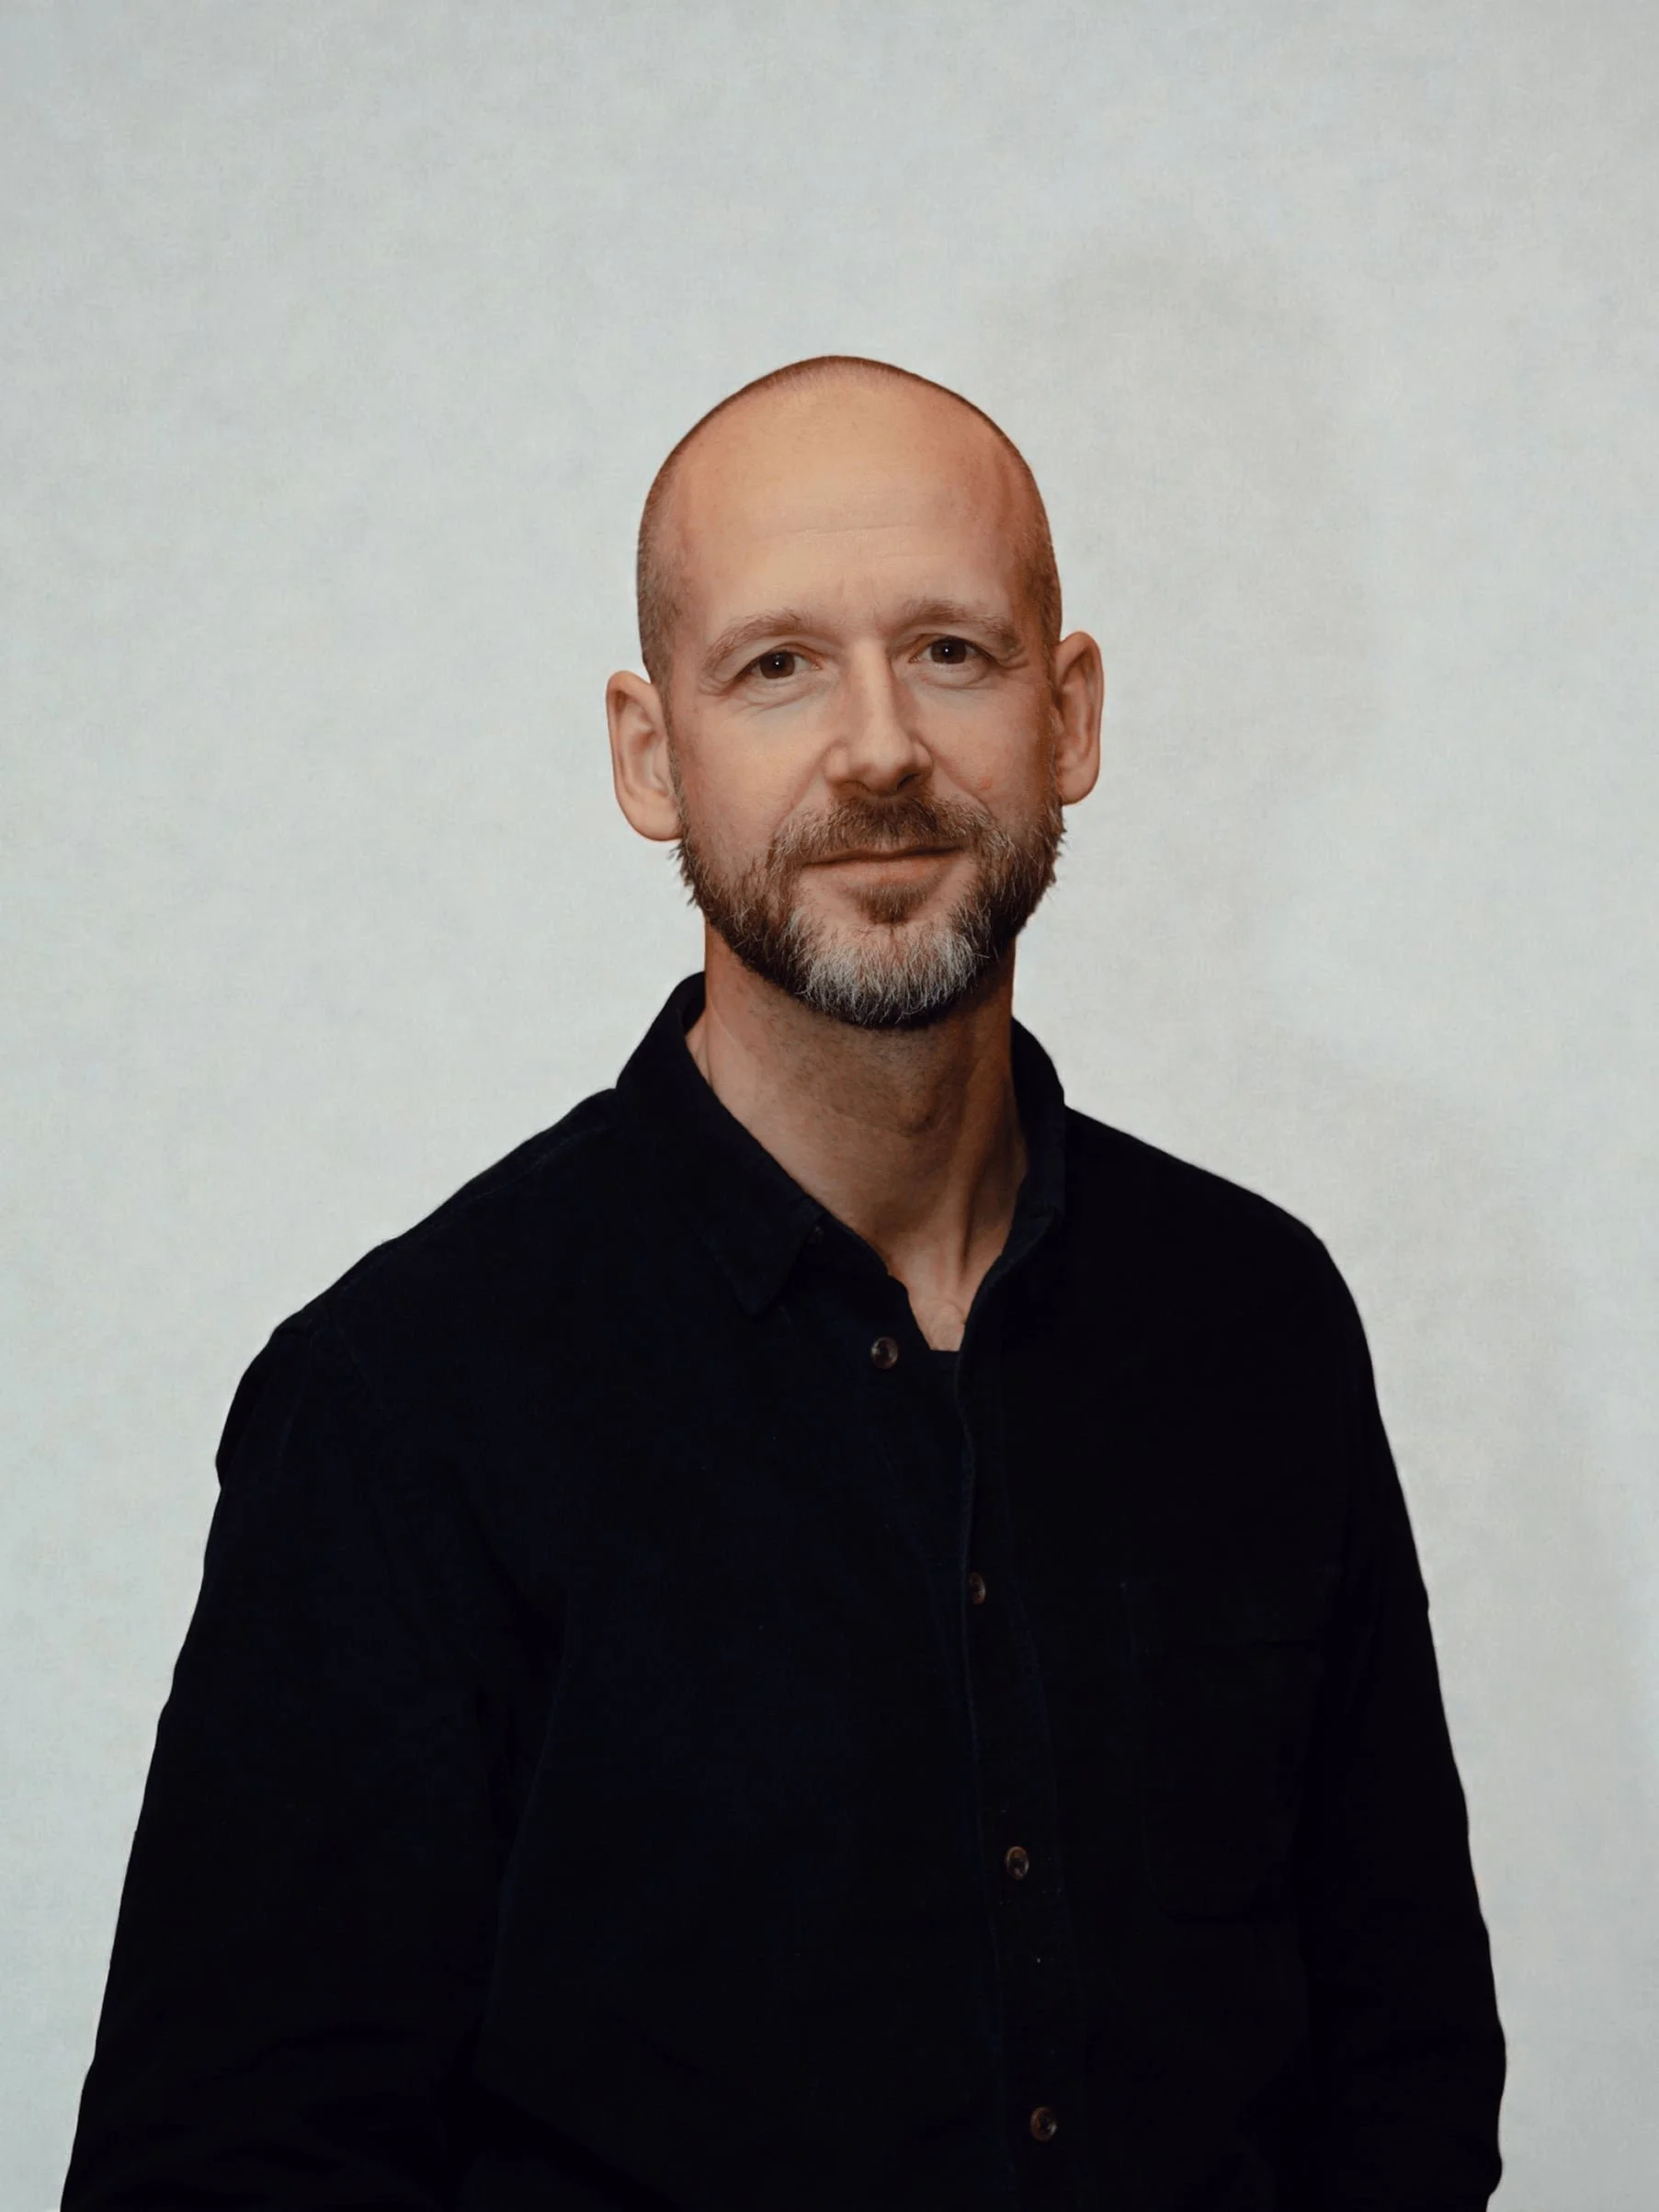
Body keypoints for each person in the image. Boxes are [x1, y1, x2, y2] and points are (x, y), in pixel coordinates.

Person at [62, 356, 1505, 2211]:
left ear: (1069, 716)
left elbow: (1403, 2072)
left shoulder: (1260, 1321)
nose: (879, 748)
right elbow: (223, 2174)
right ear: (649, 754)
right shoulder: (401, 1407)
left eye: (951, 652)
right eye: (777, 666)